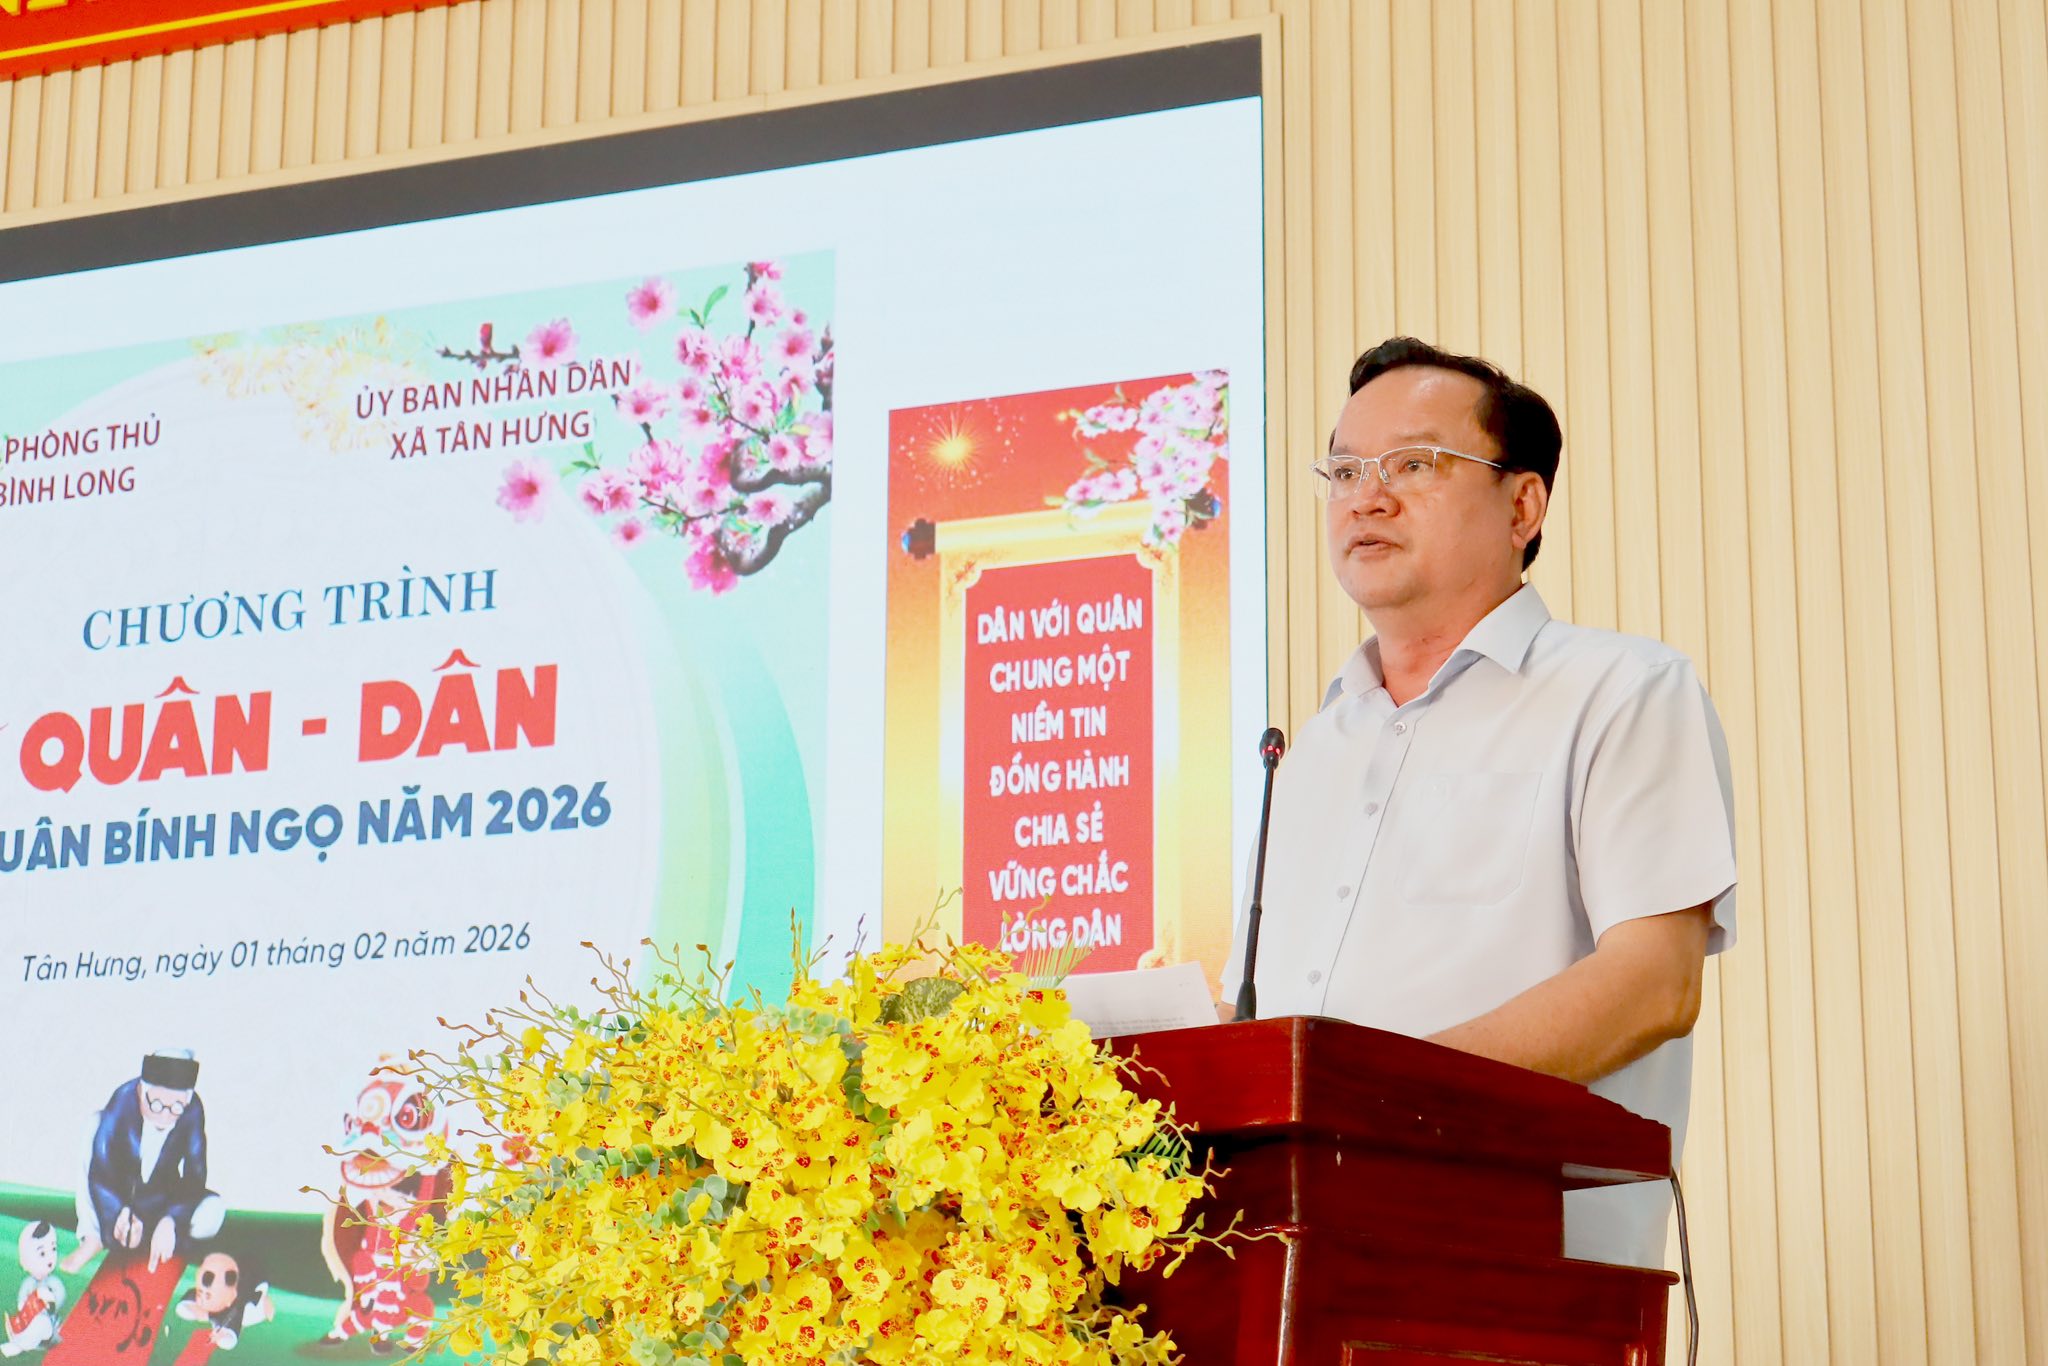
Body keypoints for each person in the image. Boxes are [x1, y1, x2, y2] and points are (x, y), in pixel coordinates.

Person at [1221, 337, 1737, 1268]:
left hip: (1516, 1263)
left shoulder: (1620, 692)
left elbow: (1655, 983)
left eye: (1413, 464)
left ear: (1522, 505)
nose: (1366, 498)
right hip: (1299, 1261)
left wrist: (1376, 1103)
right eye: (1345, 471)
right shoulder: (1306, 754)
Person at [64, 1049, 225, 1274]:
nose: (165, 1116)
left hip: (162, 1201)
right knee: (94, 1123)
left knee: (212, 1212)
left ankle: (162, 1239)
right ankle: (93, 1236)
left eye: (176, 1107)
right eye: (156, 1104)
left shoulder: (192, 1111)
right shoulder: (122, 1102)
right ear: (142, 1092)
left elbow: (195, 1176)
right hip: (119, 1198)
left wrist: (170, 1219)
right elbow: (101, 1171)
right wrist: (118, 1213)